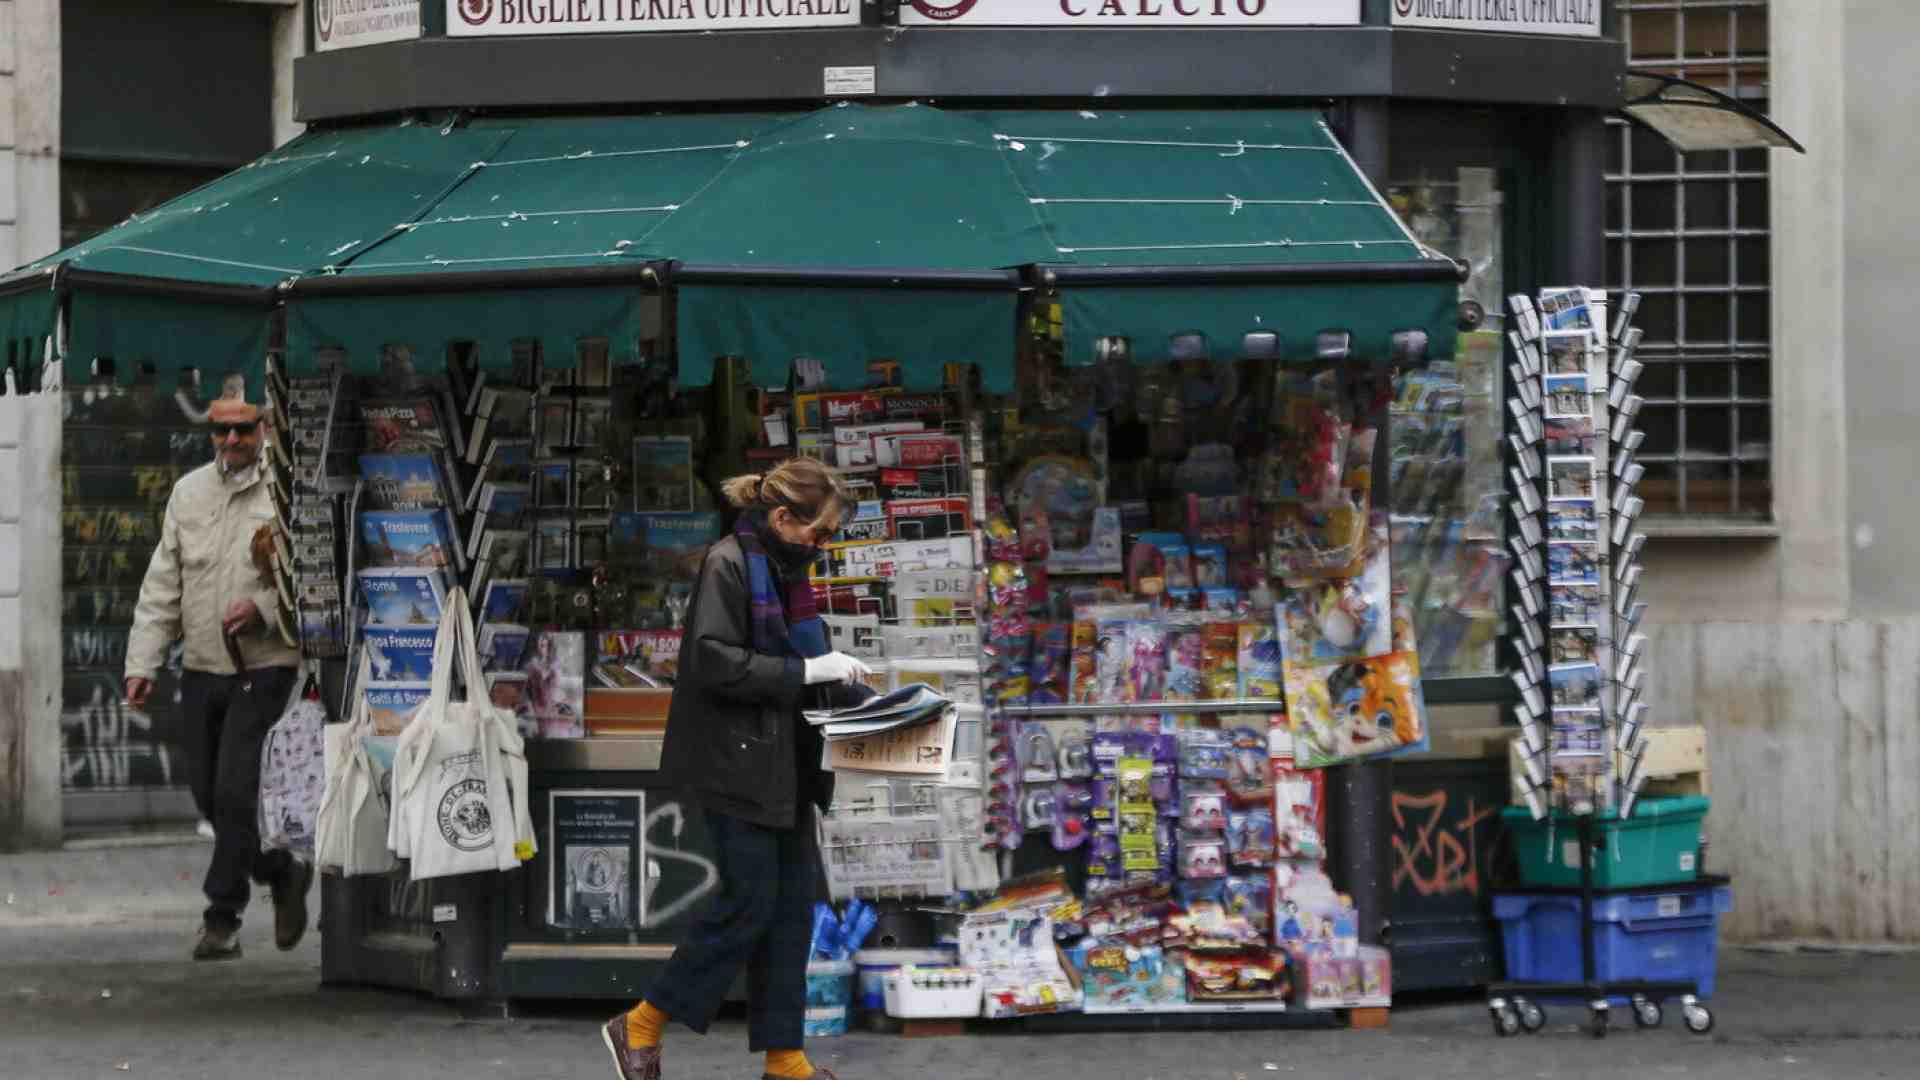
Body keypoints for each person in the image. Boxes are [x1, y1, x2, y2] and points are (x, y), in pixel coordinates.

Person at [601, 458, 874, 1080]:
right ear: (782, 518)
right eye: (821, 532)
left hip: (789, 764)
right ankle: (641, 1023)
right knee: (748, 902)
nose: (824, 545)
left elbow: (797, 663)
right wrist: (808, 670)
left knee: (792, 910)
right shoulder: (728, 563)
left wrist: (865, 698)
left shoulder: (786, 572)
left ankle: (785, 1060)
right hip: (735, 763)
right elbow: (712, 661)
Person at [124, 395, 312, 961]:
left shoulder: (287, 493)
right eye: (221, 432)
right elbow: (163, 584)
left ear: (263, 429)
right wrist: (142, 664)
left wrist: (263, 610)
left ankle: (221, 916)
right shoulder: (189, 493)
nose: (232, 441)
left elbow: (307, 578)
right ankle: (279, 871)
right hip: (202, 667)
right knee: (208, 796)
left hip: (264, 667)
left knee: (234, 792)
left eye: (243, 430)